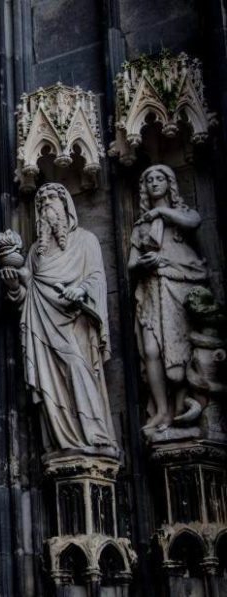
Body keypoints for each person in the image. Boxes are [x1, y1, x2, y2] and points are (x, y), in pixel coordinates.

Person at [0, 183, 117, 454]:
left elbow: (97, 277)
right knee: (51, 385)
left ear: (66, 206)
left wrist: (81, 290)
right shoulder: (33, 253)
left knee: (77, 367)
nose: (46, 205)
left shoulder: (86, 240)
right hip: (42, 326)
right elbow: (24, 297)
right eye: (41, 202)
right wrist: (13, 287)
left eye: (53, 198)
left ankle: (95, 435)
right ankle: (62, 441)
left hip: (75, 320)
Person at [128, 164, 209, 431]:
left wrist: (161, 212)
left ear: (169, 183)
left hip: (180, 288)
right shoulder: (141, 226)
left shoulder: (182, 215)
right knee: (151, 350)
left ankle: (184, 404)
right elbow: (131, 264)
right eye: (149, 179)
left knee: (181, 350)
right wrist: (145, 264)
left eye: (159, 178)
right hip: (152, 289)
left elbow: (194, 222)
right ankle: (161, 411)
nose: (154, 183)